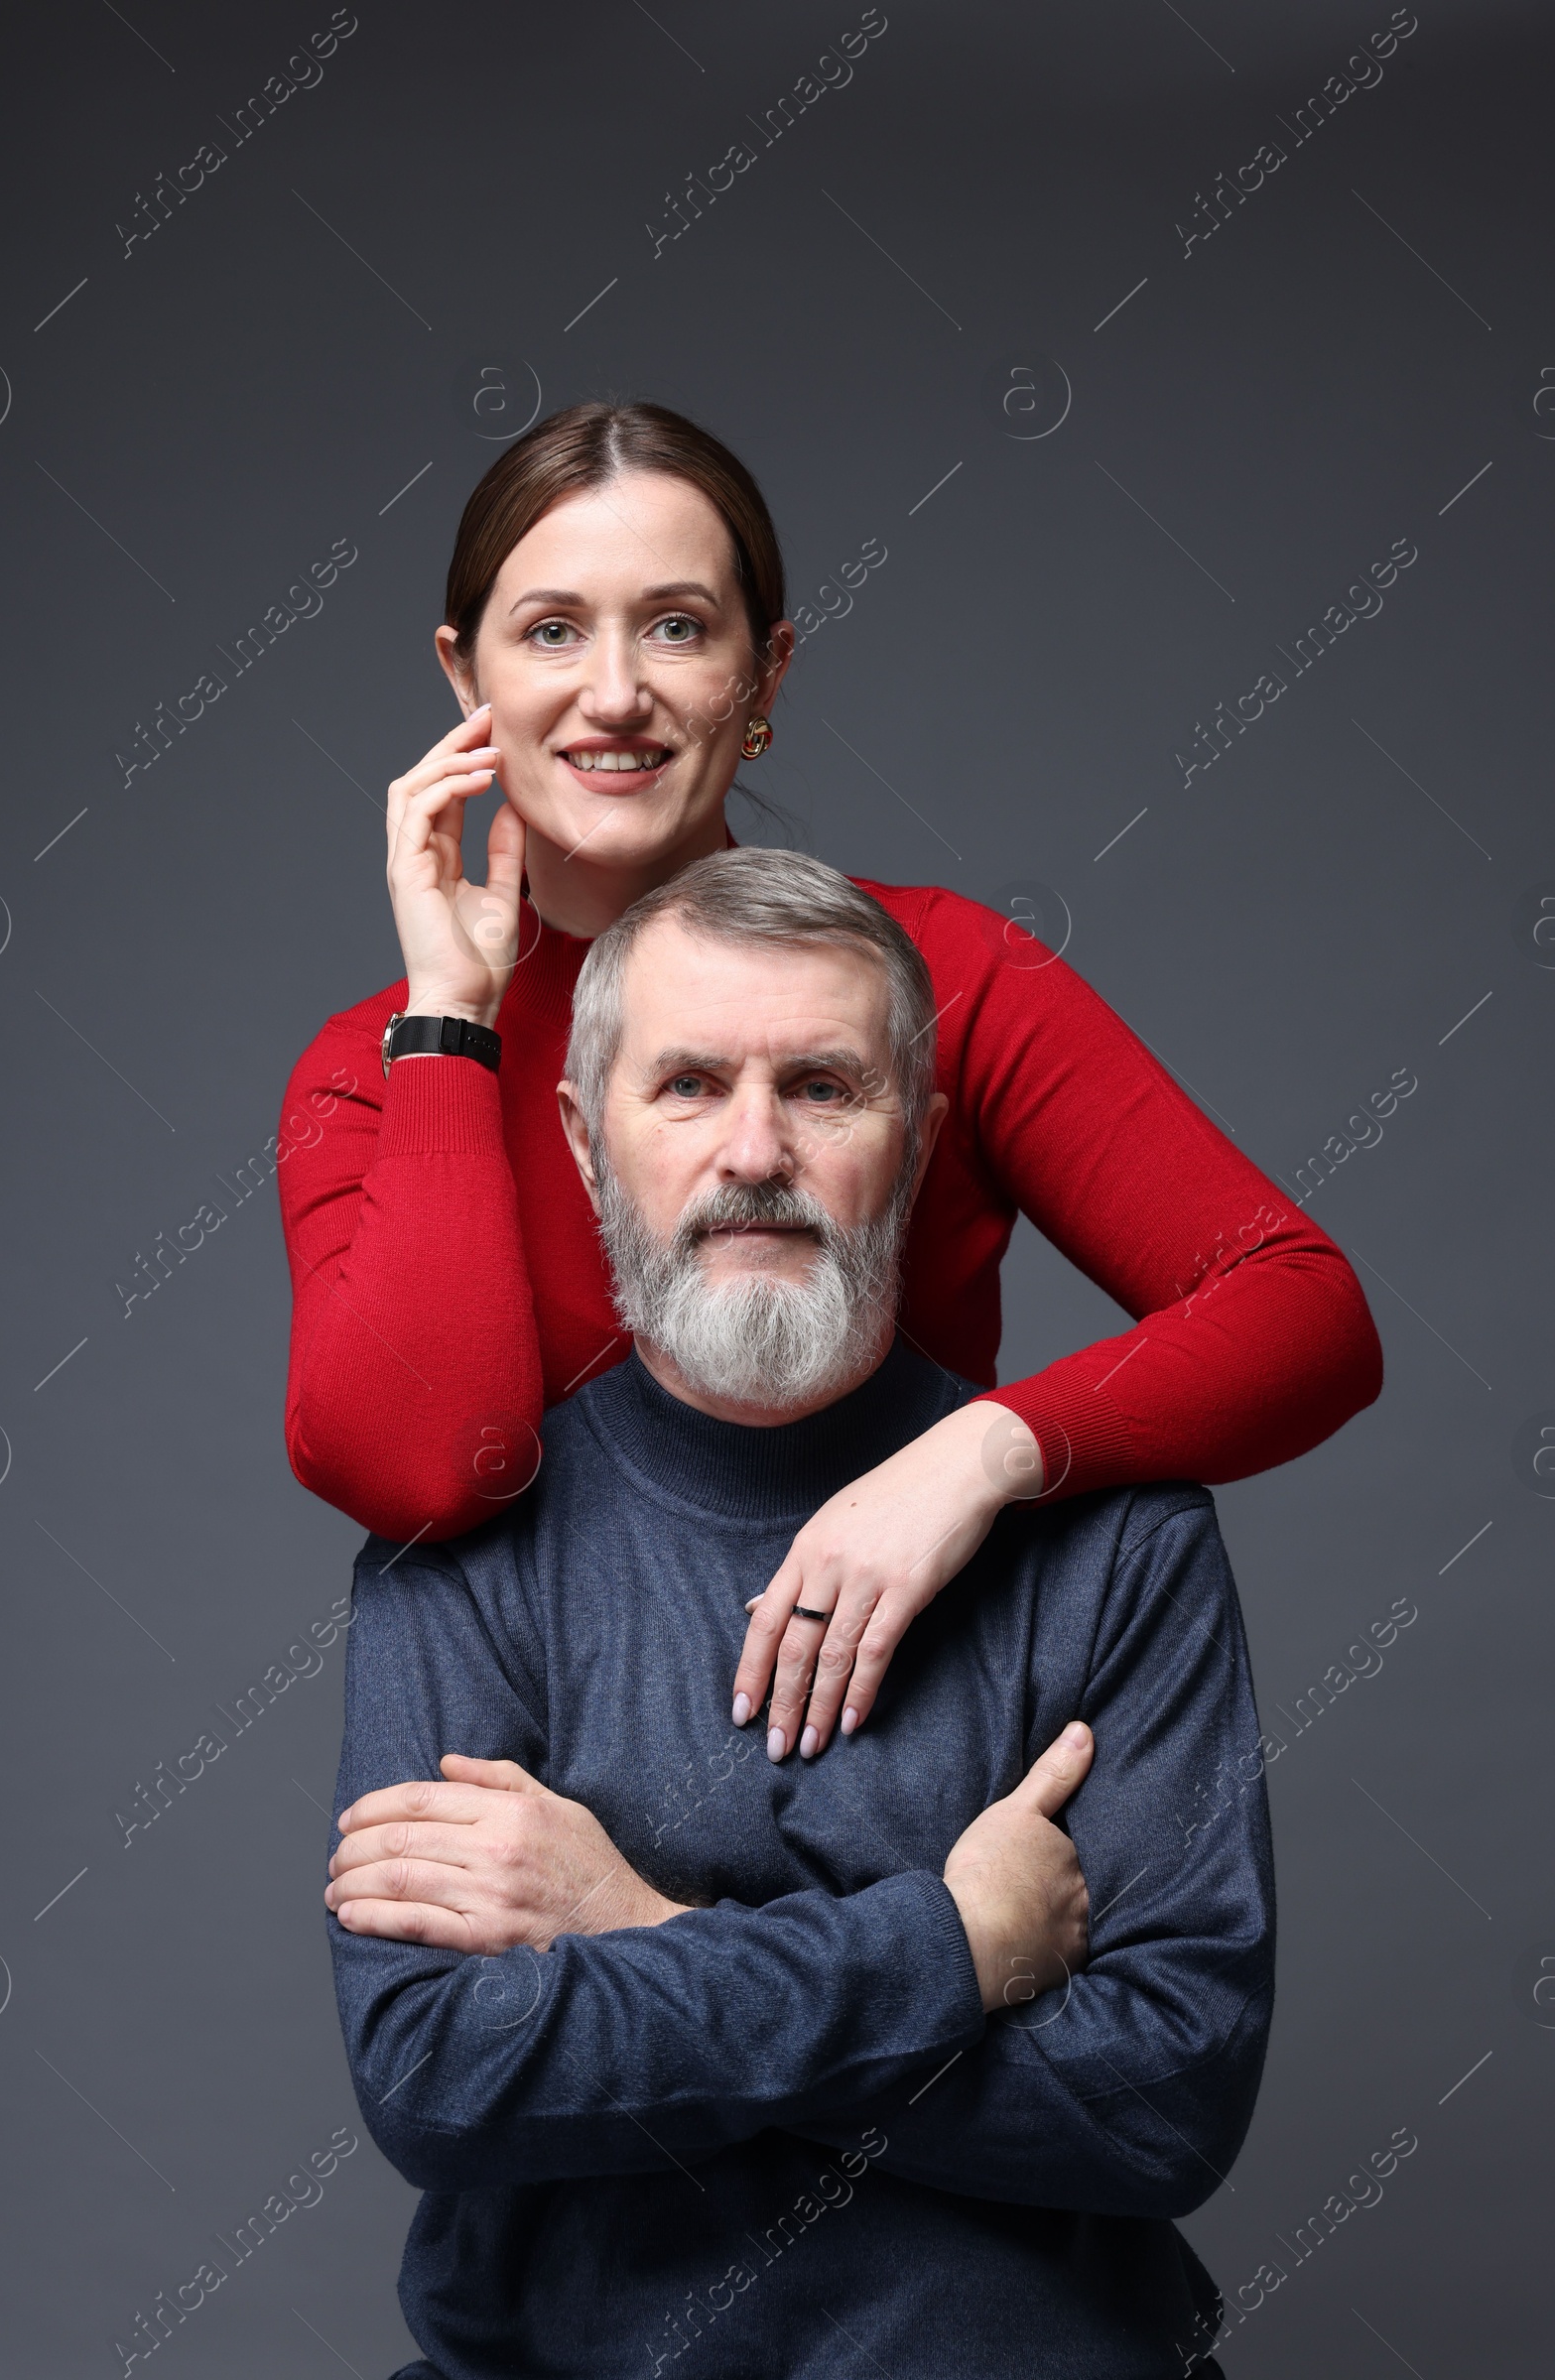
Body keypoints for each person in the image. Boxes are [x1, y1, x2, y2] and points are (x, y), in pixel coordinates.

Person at [279, 398, 1379, 1762]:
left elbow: (1307, 1314)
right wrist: (453, 1020)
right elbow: (424, 1465)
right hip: (555, 1784)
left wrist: (976, 1456)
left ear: (766, 674)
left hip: (904, 1747)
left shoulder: (946, 981)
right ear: (467, 676)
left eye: (678, 626)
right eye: (552, 629)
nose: (615, 693)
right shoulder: (380, 1068)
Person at [324, 851, 1270, 2379]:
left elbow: (1160, 2110)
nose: (753, 1151)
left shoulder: (1121, 1543)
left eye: (824, 1089)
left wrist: (634, 1928)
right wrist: (952, 1950)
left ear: (918, 1142)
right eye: (689, 1086)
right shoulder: (463, 1547)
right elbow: (442, 2081)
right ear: (582, 1143)